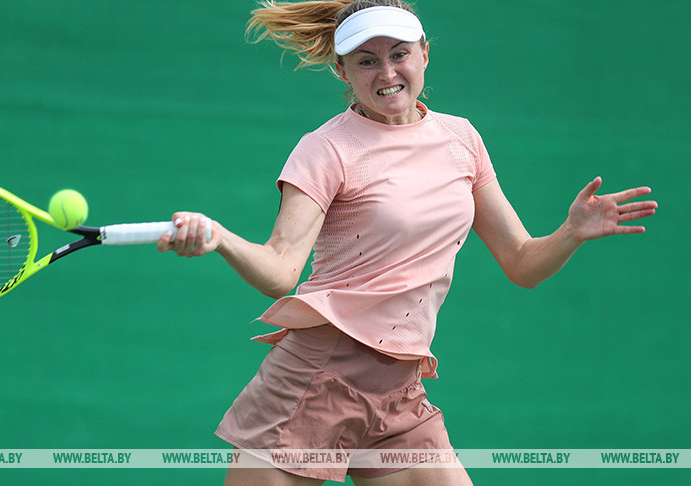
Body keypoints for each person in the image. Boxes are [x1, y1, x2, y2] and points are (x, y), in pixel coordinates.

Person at [158, 0, 658, 484]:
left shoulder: (462, 140)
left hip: (399, 391)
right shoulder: (326, 149)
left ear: (424, 54)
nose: (386, 72)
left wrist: (570, 233)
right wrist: (220, 239)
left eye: (399, 54)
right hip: (315, 379)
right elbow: (281, 269)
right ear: (342, 71)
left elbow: (521, 262)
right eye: (366, 61)